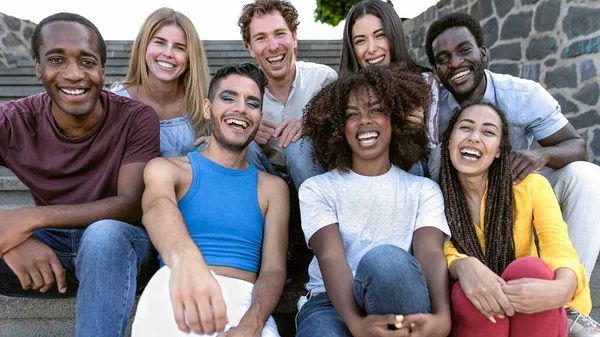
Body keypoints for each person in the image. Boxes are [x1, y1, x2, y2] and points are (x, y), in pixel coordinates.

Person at [424, 12, 600, 332]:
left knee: (588, 177)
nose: (455, 63)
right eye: (443, 58)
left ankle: (568, 307)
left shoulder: (522, 95)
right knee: (435, 167)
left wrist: (540, 155)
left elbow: (577, 146)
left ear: (483, 53)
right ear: (436, 68)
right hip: (463, 201)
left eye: (465, 50)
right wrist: (460, 264)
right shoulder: (432, 109)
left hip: (519, 185)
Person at [0, 13, 160, 337]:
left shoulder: (136, 118)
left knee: (102, 236)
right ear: (38, 67)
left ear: (102, 69)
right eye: (57, 59)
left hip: (122, 246)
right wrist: (8, 241)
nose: (74, 74)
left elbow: (130, 204)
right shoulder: (13, 120)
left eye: (86, 62)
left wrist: (29, 219)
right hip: (49, 250)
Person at [132, 63, 289, 337]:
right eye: (228, 98)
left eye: (251, 103)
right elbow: (156, 207)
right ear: (207, 108)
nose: (240, 108)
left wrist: (252, 323)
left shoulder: (273, 189)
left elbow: (274, 269)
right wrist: (186, 263)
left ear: (259, 116)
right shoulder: (168, 169)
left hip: (246, 303)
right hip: (178, 284)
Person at [295, 64, 451, 337]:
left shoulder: (422, 190)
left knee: (386, 261)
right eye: (352, 115)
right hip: (329, 304)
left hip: (394, 293)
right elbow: (330, 254)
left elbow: (429, 253)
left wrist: (442, 317)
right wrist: (357, 325)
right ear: (339, 128)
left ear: (395, 119)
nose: (364, 121)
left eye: (376, 110)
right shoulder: (317, 189)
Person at [439, 102, 592, 337]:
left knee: (532, 269)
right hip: (474, 313)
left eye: (488, 132)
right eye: (466, 128)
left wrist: (563, 288)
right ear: (449, 140)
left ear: (499, 150)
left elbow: (558, 247)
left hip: (528, 302)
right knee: (467, 293)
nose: (475, 137)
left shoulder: (531, 186)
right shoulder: (433, 195)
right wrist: (462, 265)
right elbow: (439, 250)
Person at [237, 0, 337, 191]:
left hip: (317, 180)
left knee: (298, 146)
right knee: (243, 147)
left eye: (279, 33)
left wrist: (311, 126)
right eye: (261, 38)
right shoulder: (239, 91)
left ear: (294, 37)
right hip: (266, 182)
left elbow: (344, 139)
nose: (273, 46)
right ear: (249, 47)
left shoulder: (324, 79)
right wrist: (242, 133)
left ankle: (320, 218)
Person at [339, 0, 441, 176]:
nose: (372, 48)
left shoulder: (424, 81)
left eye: (380, 35)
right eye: (360, 40)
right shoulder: (344, 90)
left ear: (394, 35)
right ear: (352, 48)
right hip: (358, 173)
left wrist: (418, 131)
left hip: (411, 173)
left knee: (414, 166)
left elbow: (433, 151)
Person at [113, 7, 210, 157]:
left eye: (179, 48)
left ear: (190, 58)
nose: (168, 54)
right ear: (143, 46)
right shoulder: (116, 103)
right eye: (160, 43)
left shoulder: (202, 104)